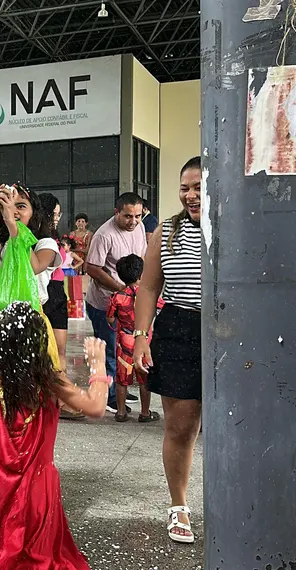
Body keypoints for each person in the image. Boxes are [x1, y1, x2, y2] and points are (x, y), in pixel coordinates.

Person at [0, 304, 109, 569]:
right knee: (36, 555)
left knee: (1, 548)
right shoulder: (48, 380)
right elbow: (96, 407)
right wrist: (98, 366)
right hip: (37, 489)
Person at [133, 157, 202, 545]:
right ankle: (179, 507)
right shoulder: (167, 231)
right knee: (181, 426)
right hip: (179, 328)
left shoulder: (239, 221)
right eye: (185, 188)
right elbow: (147, 287)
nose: (190, 195)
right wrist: (141, 336)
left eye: (198, 187)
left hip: (233, 331)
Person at [0, 184, 62, 380]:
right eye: (8, 204)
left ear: (35, 213)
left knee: (32, 383)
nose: (13, 210)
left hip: (31, 323)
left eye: (21, 206)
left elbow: (32, 267)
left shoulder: (45, 244)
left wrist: (12, 224)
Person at [84, 193, 147, 414]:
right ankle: (110, 397)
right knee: (109, 349)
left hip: (128, 304)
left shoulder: (138, 228)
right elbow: (91, 268)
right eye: (128, 216)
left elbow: (142, 258)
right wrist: (122, 290)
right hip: (104, 304)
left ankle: (120, 387)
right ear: (116, 212)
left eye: (138, 216)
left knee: (125, 350)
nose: (133, 222)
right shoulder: (104, 235)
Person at [106, 254, 163, 423]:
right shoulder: (148, 296)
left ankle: (121, 412)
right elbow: (163, 307)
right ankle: (145, 413)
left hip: (124, 341)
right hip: (144, 341)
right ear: (141, 274)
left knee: (122, 379)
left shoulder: (117, 297)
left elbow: (109, 319)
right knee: (144, 378)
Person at [39, 193, 70, 373]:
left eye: (59, 214)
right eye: (54, 214)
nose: (57, 219)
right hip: (43, 290)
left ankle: (59, 395)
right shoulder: (35, 236)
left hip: (58, 291)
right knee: (42, 350)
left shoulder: (55, 236)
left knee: (60, 350)